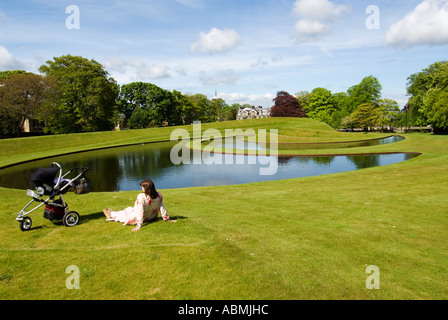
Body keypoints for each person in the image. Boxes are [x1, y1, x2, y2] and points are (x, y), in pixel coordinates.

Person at [103, 179, 176, 232]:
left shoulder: (141, 196)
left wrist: (139, 225)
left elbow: (140, 212)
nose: (141, 188)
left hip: (139, 218)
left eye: (143, 187)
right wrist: (167, 218)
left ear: (146, 188)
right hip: (151, 217)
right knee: (128, 209)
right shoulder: (159, 195)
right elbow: (162, 207)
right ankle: (111, 213)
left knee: (124, 214)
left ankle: (111, 213)